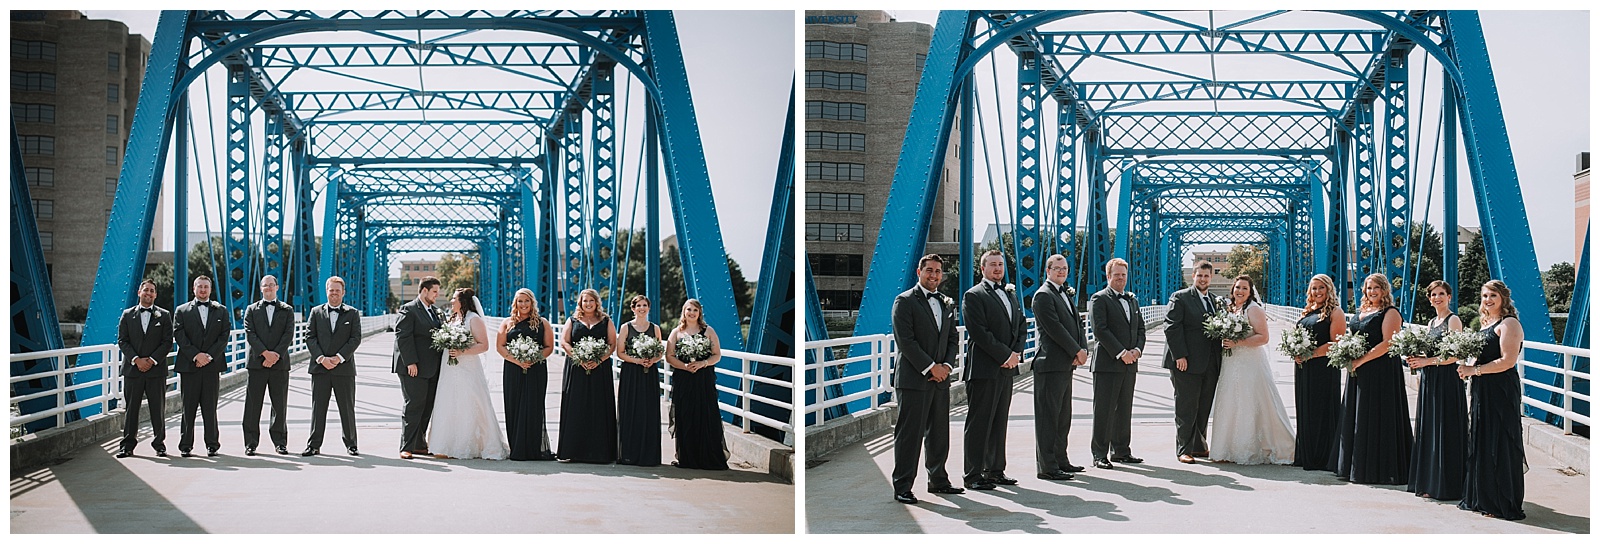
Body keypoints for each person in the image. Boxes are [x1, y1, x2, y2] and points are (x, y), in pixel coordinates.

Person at [889, 254, 964, 504]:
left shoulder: (945, 302)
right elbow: (906, 342)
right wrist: (931, 367)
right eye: (929, 270)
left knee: (939, 434)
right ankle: (903, 487)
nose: (934, 275)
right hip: (914, 379)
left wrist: (945, 366)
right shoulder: (905, 301)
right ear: (918, 272)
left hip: (941, 378)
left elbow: (952, 338)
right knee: (910, 435)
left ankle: (938, 480)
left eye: (938, 271)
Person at [1456, 280, 1526, 520]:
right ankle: (1483, 497)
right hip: (1483, 388)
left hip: (1501, 390)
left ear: (1503, 298)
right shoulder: (1487, 323)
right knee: (1483, 440)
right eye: (1485, 295)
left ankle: (1501, 501)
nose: (1488, 300)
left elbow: (1508, 361)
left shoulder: (1509, 324)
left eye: (1493, 295)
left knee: (1500, 441)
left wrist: (1473, 371)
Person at [1208, 275, 1296, 465]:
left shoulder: (1254, 309)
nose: (1240, 291)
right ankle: (1227, 448)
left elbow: (1263, 337)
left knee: (1250, 400)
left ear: (1250, 292)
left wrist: (1237, 342)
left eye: (1244, 289)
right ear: (1232, 289)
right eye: (1237, 287)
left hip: (1250, 362)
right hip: (1231, 362)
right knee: (1230, 400)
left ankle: (1250, 449)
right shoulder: (1230, 308)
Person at [1335, 274, 1413, 485]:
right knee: (1358, 414)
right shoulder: (1361, 311)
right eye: (1369, 288)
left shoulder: (1391, 313)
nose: (1372, 292)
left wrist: (1361, 360)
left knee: (1378, 414)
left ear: (1385, 290)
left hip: (1381, 371)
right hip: (1359, 370)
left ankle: (1379, 469)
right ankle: (1356, 464)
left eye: (1376, 287)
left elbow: (1388, 343)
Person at [960, 250, 1025, 489]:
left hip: (1006, 368)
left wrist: (1016, 353)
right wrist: (1005, 355)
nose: (998, 269)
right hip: (984, 368)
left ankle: (996, 470)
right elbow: (979, 333)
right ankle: (973, 475)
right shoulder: (973, 295)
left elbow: (1021, 324)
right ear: (982, 268)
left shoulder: (1010, 293)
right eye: (993, 265)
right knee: (979, 424)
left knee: (999, 422)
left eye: (1001, 264)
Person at [428, 288, 509, 460]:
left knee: (469, 401)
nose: (451, 301)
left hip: (468, 368)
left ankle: (472, 445)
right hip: (449, 369)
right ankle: (446, 444)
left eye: (454, 298)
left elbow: (484, 345)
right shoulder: (454, 318)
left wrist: (461, 351)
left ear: (462, 301)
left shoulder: (474, 319)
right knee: (449, 402)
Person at [1406, 280, 1468, 500]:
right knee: (1430, 428)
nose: (1437, 297)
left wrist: (1427, 362)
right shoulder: (1432, 322)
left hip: (1447, 379)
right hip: (1431, 378)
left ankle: (1448, 485)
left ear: (1449, 297)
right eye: (1433, 294)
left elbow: (1454, 356)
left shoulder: (1454, 321)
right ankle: (1430, 482)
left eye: (1441, 293)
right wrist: (1417, 359)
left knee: (1445, 427)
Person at [1031, 254, 1088, 480]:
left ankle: (1061, 459)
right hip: (1050, 364)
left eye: (1064, 268)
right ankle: (1047, 466)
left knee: (1063, 417)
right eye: (1057, 268)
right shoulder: (1043, 296)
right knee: (1048, 419)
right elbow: (1054, 328)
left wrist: (1082, 348)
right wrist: (1076, 350)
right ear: (1048, 270)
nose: (1062, 272)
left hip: (1065, 364)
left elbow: (1077, 325)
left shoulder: (1064, 293)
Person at [1089, 257, 1146, 469]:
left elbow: (1140, 329)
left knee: (1124, 409)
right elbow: (1100, 330)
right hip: (1108, 364)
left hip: (1130, 363)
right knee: (1104, 410)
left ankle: (1121, 451)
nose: (1121, 278)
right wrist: (1122, 352)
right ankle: (1099, 454)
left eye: (1123, 275)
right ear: (1108, 276)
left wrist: (1137, 350)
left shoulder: (1132, 300)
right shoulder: (1099, 299)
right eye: (1117, 275)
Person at [1163, 261, 1222, 464]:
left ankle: (1198, 445)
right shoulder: (1180, 297)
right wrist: (1179, 355)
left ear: (1211, 278)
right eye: (1199, 276)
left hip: (1210, 363)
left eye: (1206, 276)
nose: (1203, 279)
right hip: (1185, 362)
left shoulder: (1214, 300)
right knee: (1186, 407)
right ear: (1193, 276)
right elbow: (1171, 327)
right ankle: (1183, 450)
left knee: (1204, 407)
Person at [664, 298, 729, 470]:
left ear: (699, 313)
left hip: (703, 378)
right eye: (688, 310)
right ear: (683, 312)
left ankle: (708, 456)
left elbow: (717, 355)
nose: (691, 313)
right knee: (685, 415)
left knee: (705, 413)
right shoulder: (676, 332)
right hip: (684, 379)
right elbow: (669, 356)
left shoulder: (708, 331)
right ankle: (688, 457)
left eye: (695, 310)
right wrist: (684, 366)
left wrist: (703, 363)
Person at [557, 288, 619, 463]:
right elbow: (564, 341)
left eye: (591, 301)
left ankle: (599, 452)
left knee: (599, 406)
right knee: (576, 405)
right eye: (585, 301)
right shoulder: (572, 320)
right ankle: (573, 450)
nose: (588, 304)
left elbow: (612, 343)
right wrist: (578, 356)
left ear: (596, 303)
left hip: (599, 369)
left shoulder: (605, 320)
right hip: (576, 368)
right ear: (580, 303)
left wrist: (599, 359)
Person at [1292, 274, 1346, 472]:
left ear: (1329, 289)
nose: (1317, 292)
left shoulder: (1335, 312)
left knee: (1321, 409)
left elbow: (1336, 344)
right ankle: (1307, 453)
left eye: (1321, 288)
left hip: (1324, 368)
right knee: (1305, 408)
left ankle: (1323, 457)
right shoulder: (1307, 311)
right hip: (1304, 367)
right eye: (1314, 288)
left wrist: (1310, 355)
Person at [303, 276, 362, 457]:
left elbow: (355, 338)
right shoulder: (315, 312)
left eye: (337, 290)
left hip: (343, 368)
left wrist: (338, 358)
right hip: (320, 368)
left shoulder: (352, 313)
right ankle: (313, 445)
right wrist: (321, 358)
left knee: (346, 408)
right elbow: (309, 337)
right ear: (326, 291)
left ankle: (351, 444)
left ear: (343, 293)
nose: (334, 293)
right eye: (331, 290)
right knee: (318, 408)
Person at [496, 288, 556, 461]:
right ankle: (517, 447)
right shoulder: (507, 323)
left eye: (527, 301)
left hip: (535, 370)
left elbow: (549, 347)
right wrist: (517, 360)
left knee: (532, 406)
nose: (523, 304)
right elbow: (500, 346)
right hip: (513, 369)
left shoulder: (542, 323)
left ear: (532, 303)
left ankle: (532, 448)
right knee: (514, 405)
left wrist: (533, 358)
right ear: (515, 303)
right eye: (520, 301)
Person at [115, 280, 172, 458]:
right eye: (145, 290)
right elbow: (123, 341)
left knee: (157, 408)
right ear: (139, 292)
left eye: (152, 291)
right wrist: (136, 360)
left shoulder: (164, 315)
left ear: (156, 295)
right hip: (133, 370)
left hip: (156, 370)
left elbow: (167, 342)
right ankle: (127, 445)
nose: (148, 293)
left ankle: (159, 444)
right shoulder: (127, 315)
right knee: (131, 409)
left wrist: (152, 360)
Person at [173, 275, 228, 457]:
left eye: (206, 287)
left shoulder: (221, 311)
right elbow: (179, 335)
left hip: (212, 366)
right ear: (193, 289)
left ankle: (212, 444)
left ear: (210, 290)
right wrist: (196, 355)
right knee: (188, 407)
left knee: (210, 407)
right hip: (190, 365)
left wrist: (209, 356)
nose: (203, 290)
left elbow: (223, 337)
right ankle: (186, 445)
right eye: (199, 287)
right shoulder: (181, 311)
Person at [394, 276, 444, 459]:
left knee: (427, 407)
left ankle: (418, 443)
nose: (437, 295)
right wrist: (410, 362)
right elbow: (403, 337)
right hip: (413, 367)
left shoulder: (435, 311)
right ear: (424, 291)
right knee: (413, 406)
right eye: (434, 292)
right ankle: (405, 446)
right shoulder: (408, 310)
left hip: (432, 367)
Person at [243, 274, 294, 456]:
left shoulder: (287, 310)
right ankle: (250, 443)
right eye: (265, 286)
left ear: (277, 287)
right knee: (253, 405)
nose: (269, 288)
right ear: (261, 288)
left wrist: (275, 355)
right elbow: (250, 334)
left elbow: (288, 335)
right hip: (257, 363)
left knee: (279, 405)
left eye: (272, 285)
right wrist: (265, 354)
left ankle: (280, 442)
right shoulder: (251, 309)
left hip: (279, 364)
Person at [616, 295, 665, 467]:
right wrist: (636, 360)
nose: (642, 308)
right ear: (633, 308)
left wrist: (653, 359)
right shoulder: (626, 328)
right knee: (630, 410)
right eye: (639, 305)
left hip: (649, 373)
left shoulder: (655, 328)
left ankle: (648, 455)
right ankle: (629, 453)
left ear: (649, 308)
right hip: (631, 373)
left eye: (645, 305)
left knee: (648, 412)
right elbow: (619, 352)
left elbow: (660, 351)